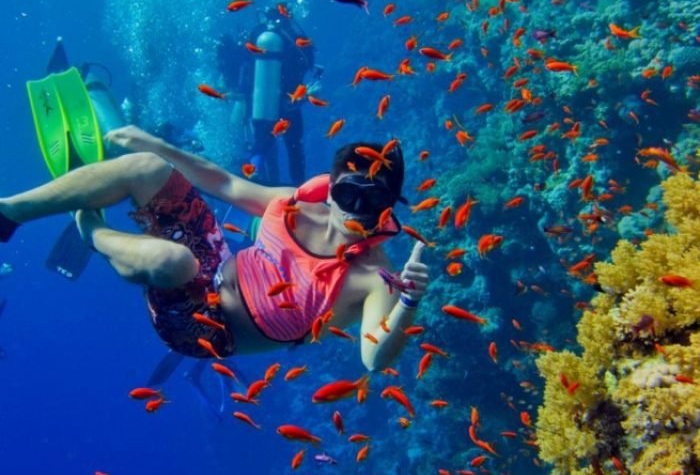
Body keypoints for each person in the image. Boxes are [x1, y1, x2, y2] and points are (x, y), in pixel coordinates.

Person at [0, 127, 429, 371]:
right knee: (147, 168)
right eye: (351, 194)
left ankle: (89, 229)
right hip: (214, 261)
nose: (359, 212)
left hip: (206, 331)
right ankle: (10, 213)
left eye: (375, 202)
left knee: (170, 260)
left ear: (391, 207)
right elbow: (226, 183)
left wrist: (408, 300)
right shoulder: (300, 203)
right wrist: (157, 146)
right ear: (331, 187)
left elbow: (374, 359)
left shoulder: (376, 278)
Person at [218, 6, 321, 185]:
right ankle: (300, 189)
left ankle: (257, 177)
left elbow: (242, 66)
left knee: (261, 144)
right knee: (294, 146)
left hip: (257, 102)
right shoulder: (293, 36)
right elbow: (307, 63)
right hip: (289, 103)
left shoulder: (257, 34)